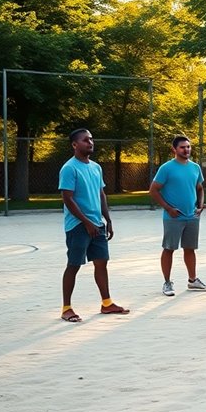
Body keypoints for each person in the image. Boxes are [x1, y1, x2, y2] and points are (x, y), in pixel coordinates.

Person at [58, 128, 129, 322]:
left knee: (101, 263)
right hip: (77, 226)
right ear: (75, 145)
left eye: (91, 139)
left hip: (97, 224)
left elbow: (101, 194)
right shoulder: (69, 168)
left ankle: (106, 303)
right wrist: (86, 222)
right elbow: (68, 199)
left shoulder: (96, 167)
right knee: (74, 265)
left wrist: (108, 219)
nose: (90, 142)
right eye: (85, 140)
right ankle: (66, 308)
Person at [149, 135, 206, 297]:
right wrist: (168, 208)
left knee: (190, 249)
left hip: (192, 216)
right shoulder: (167, 168)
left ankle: (193, 280)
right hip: (173, 217)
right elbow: (153, 190)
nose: (186, 150)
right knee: (169, 248)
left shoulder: (195, 167)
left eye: (188, 147)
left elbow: (199, 188)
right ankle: (167, 282)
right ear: (174, 149)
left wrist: (200, 205)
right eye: (183, 147)